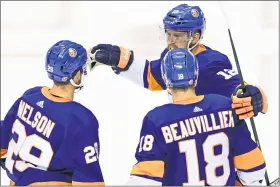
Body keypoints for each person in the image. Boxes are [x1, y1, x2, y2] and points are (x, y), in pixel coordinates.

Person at [88, 3, 267, 120]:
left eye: (178, 35)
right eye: (169, 33)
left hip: (218, 136)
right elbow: (153, 77)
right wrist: (121, 60)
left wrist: (251, 94)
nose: (171, 40)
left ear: (195, 37)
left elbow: (233, 87)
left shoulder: (212, 61)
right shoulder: (171, 55)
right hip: (186, 131)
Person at [126, 48, 266, 186]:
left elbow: (144, 180)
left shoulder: (157, 120)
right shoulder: (225, 106)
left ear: (164, 79)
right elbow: (254, 169)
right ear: (196, 75)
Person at [0, 40, 105, 186]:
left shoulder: (30, 96)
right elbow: (90, 183)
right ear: (77, 75)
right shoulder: (81, 120)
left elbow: (3, 141)